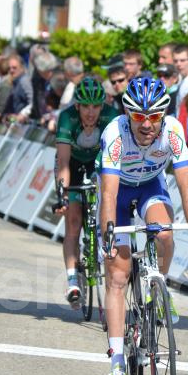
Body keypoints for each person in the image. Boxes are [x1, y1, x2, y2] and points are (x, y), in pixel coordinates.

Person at [99, 77, 188, 375]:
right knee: (118, 276)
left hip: (151, 186)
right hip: (118, 192)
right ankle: (117, 363)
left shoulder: (173, 132)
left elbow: (187, 188)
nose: (147, 124)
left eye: (154, 116)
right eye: (138, 116)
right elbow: (108, 195)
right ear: (127, 114)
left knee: (164, 233)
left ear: (164, 114)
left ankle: (157, 290)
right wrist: (108, 236)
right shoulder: (115, 134)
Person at [54, 78, 119, 308]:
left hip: (98, 163)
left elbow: (115, 157)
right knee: (73, 222)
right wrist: (62, 195)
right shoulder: (67, 117)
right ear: (77, 105)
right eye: (86, 106)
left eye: (96, 106)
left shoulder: (112, 116)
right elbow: (63, 162)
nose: (91, 112)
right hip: (72, 163)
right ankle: (73, 280)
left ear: (103, 105)